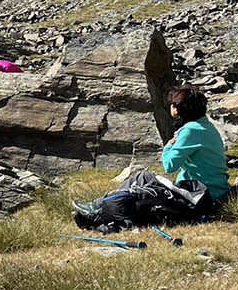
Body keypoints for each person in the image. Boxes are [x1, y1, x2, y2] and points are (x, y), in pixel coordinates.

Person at [71, 85, 228, 228]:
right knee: (143, 178)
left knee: (143, 185)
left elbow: (169, 165)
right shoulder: (205, 126)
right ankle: (98, 209)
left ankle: (97, 209)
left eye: (172, 105)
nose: (171, 108)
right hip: (211, 189)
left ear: (179, 109)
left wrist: (169, 145)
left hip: (199, 193)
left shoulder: (190, 130)